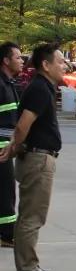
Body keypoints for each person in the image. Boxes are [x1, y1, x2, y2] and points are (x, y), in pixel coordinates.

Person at [1, 43, 65, 271]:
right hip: (38, 158)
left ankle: (30, 264)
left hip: (39, 156)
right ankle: (27, 269)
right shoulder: (39, 89)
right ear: (46, 65)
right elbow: (23, 125)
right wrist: (14, 148)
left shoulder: (43, 87)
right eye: (59, 61)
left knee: (33, 215)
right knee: (32, 216)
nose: (64, 65)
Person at [0, 42, 23, 248]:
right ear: (6, 61)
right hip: (1, 149)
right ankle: (7, 235)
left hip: (6, 147)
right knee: (5, 191)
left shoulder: (9, 83)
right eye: (17, 57)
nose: (22, 61)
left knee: (6, 190)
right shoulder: (1, 85)